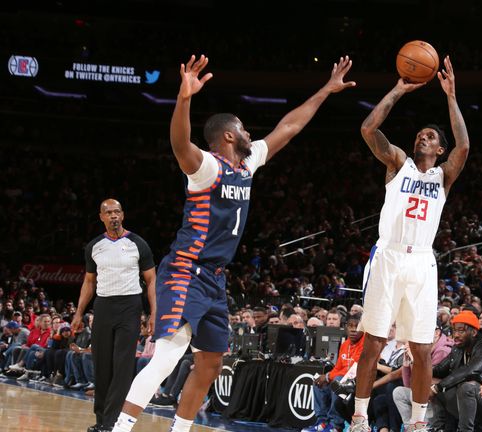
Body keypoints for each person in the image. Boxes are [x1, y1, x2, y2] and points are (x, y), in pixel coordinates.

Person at [110, 54, 355, 432]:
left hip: (214, 278)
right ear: (228, 135)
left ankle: (180, 429)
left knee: (210, 362)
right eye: (241, 128)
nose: (248, 132)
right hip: (185, 270)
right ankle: (120, 428)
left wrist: (326, 88)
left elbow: (288, 126)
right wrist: (185, 98)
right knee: (168, 355)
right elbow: (179, 143)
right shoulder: (208, 167)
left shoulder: (247, 164)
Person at [352, 55, 470, 432]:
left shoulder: (442, 177)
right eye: (421, 133)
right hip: (388, 255)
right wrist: (399, 90)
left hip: (421, 263)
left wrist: (451, 96)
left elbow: (464, 147)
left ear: (438, 150)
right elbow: (369, 129)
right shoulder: (398, 163)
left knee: (420, 350)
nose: (423, 136)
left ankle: (418, 424)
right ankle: (358, 418)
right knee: (372, 344)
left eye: (431, 136)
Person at [66, 198, 158, 432]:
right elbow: (89, 282)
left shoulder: (138, 243)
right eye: (109, 213)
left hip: (130, 307)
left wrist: (153, 313)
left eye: (117, 211)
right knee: (102, 365)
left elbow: (151, 281)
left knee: (123, 367)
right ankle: (101, 421)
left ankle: (113, 422)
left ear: (123, 215)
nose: (113, 216)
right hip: (103, 307)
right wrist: (79, 312)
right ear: (101, 217)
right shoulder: (94, 246)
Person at [431, 311, 482, 432]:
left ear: (473, 332)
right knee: (437, 387)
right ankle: (440, 429)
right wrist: (418, 358)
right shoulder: (458, 349)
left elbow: (470, 370)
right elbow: (437, 371)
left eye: (461, 331)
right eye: (454, 330)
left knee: (466, 387)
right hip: (468, 401)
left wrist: (437, 387)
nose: (456, 335)